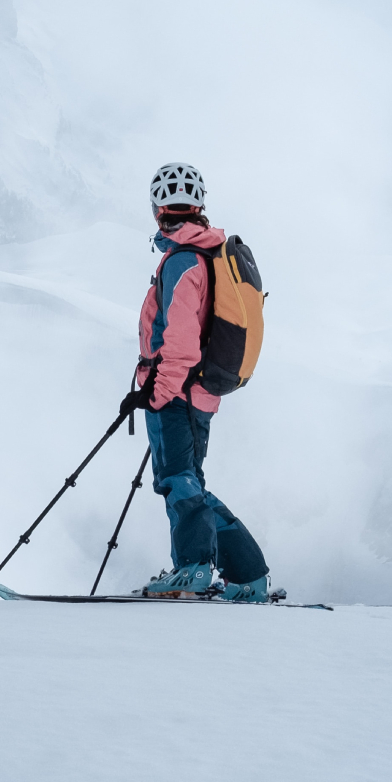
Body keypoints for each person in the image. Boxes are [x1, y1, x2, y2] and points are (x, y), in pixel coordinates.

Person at [119, 162, 272, 602]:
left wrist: (156, 394)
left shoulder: (183, 260)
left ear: (156, 211)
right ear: (199, 206)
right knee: (189, 482)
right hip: (200, 391)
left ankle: (192, 568)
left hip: (177, 392)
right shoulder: (205, 252)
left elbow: (181, 343)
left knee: (178, 481)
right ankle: (248, 576)